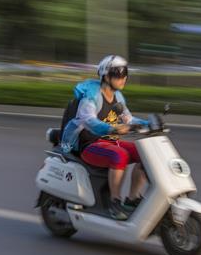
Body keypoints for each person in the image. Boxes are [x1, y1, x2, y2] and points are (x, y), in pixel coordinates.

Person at [61, 55, 148, 220]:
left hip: (108, 142)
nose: (124, 78)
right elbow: (89, 121)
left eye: (125, 73)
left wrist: (149, 124)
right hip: (88, 144)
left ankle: (132, 199)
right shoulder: (92, 97)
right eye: (118, 73)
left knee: (145, 153)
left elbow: (128, 119)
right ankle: (114, 203)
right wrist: (112, 128)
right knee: (119, 155)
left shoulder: (118, 98)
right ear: (106, 76)